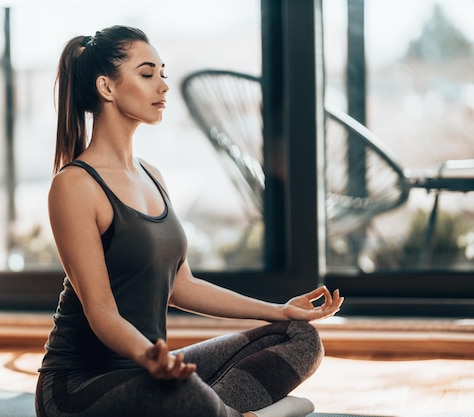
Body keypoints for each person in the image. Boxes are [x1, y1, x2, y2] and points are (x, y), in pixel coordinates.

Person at [35, 25, 344, 417]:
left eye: (162, 73)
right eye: (147, 74)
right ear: (106, 88)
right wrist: (151, 359)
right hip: (77, 388)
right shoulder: (75, 185)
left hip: (149, 372)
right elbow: (101, 311)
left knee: (300, 337)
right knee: (184, 394)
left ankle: (222, 412)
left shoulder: (151, 176)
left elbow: (182, 284)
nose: (163, 86)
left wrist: (279, 310)